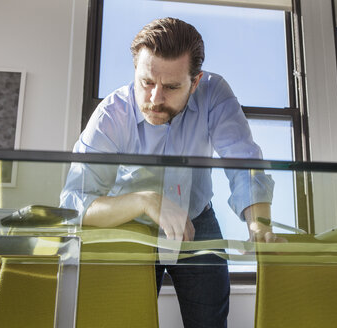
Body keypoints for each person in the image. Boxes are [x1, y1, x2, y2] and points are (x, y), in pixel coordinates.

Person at [60, 17, 278, 328]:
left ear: (196, 81)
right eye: (146, 82)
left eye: (172, 87)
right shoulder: (111, 115)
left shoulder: (215, 94)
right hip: (130, 225)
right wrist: (145, 200)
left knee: (210, 321)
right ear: (135, 71)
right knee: (124, 320)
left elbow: (244, 162)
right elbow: (75, 201)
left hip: (197, 218)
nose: (155, 99)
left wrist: (259, 227)